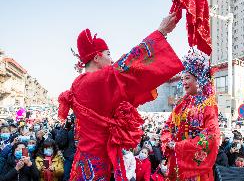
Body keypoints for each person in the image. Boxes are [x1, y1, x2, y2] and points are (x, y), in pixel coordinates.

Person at [58, 12, 184, 180]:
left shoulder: (80, 83)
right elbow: (126, 67)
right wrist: (161, 32)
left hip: (89, 160)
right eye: (108, 54)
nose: (112, 59)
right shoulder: (93, 81)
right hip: (97, 162)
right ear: (96, 57)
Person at [161, 45, 220, 180]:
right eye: (182, 79)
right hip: (176, 165)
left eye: (187, 78)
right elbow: (167, 127)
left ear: (198, 79)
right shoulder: (181, 104)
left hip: (195, 171)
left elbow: (211, 136)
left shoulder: (208, 105)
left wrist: (179, 146)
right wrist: (168, 141)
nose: (184, 83)